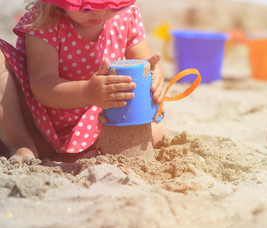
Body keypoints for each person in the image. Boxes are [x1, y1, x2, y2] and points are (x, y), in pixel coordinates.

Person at [0, 0, 166, 160]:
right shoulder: (45, 19)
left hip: (96, 120)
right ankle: (20, 143)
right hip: (35, 118)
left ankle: (87, 148)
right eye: (87, 7)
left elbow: (144, 61)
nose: (100, 12)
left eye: (110, 5)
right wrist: (87, 92)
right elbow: (42, 85)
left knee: (156, 131)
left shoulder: (125, 15)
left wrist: (154, 75)